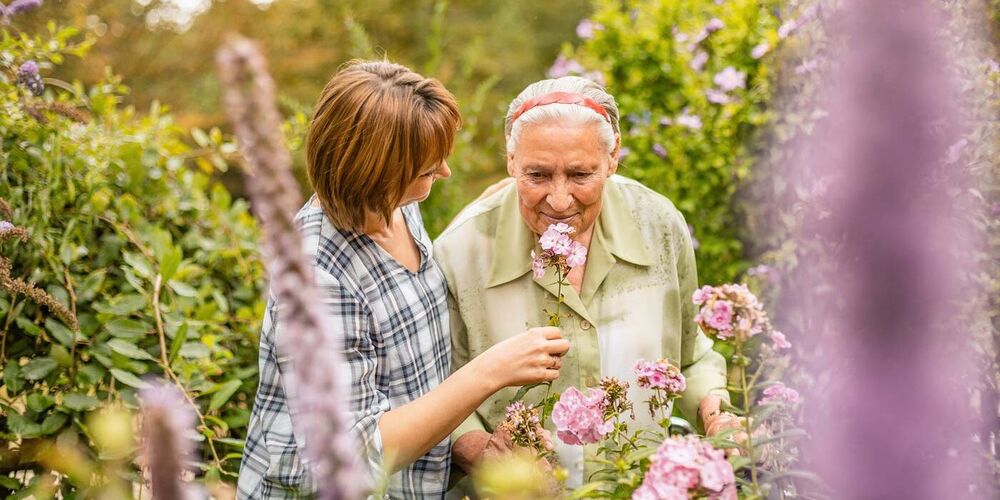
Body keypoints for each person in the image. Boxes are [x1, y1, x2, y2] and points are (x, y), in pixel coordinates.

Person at [236, 61, 569, 499]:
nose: (445, 172)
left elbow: (402, 298)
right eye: (428, 170)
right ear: (376, 173)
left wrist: (490, 211)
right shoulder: (318, 276)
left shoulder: (394, 207)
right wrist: (489, 371)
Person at [434, 76, 736, 489]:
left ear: (613, 159)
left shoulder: (658, 225)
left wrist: (716, 415)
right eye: (537, 175)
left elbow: (689, 359)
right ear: (510, 161)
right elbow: (431, 392)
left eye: (580, 174)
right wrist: (477, 450)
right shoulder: (460, 250)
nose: (559, 200)